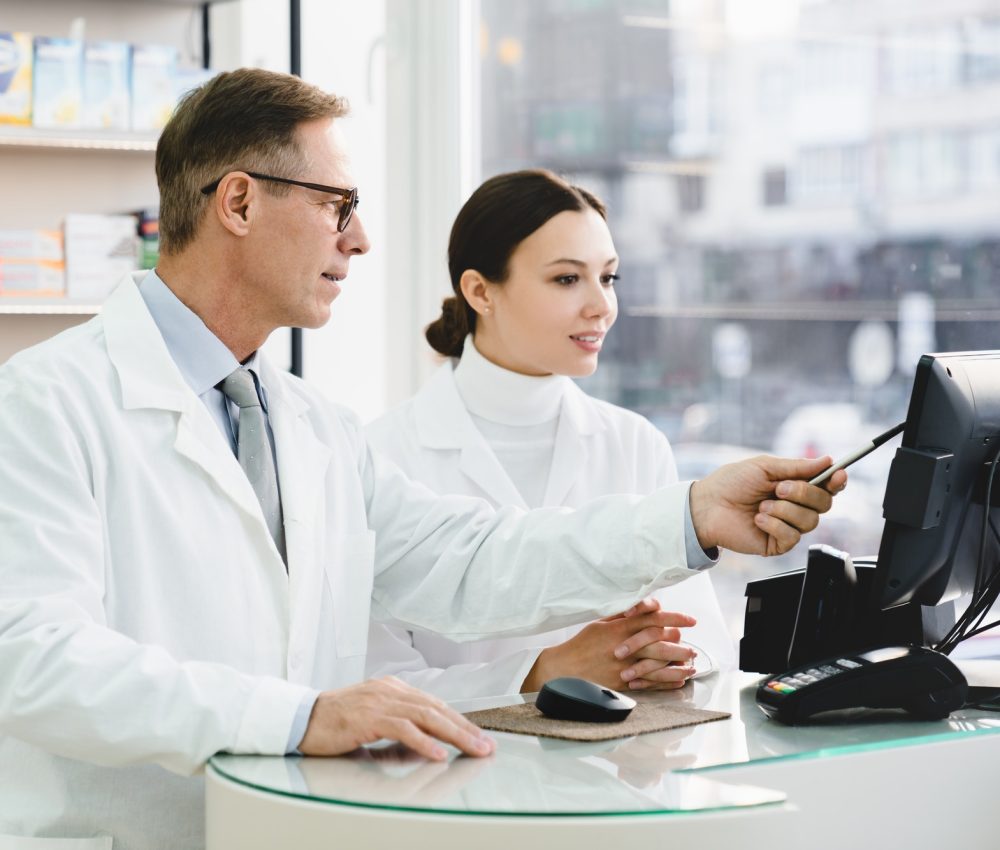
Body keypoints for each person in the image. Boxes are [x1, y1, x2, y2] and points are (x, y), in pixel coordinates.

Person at [0, 68, 845, 850]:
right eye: (339, 205)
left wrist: (691, 516)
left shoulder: (314, 426)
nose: (361, 239)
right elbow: (29, 654)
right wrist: (298, 718)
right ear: (240, 202)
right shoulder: (42, 403)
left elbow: (472, 559)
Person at [366, 169, 735, 699]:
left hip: (626, 752)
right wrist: (543, 672)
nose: (601, 305)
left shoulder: (635, 443)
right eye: (567, 279)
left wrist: (663, 659)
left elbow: (702, 645)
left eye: (608, 278)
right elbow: (372, 687)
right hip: (458, 755)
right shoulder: (380, 455)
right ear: (480, 291)